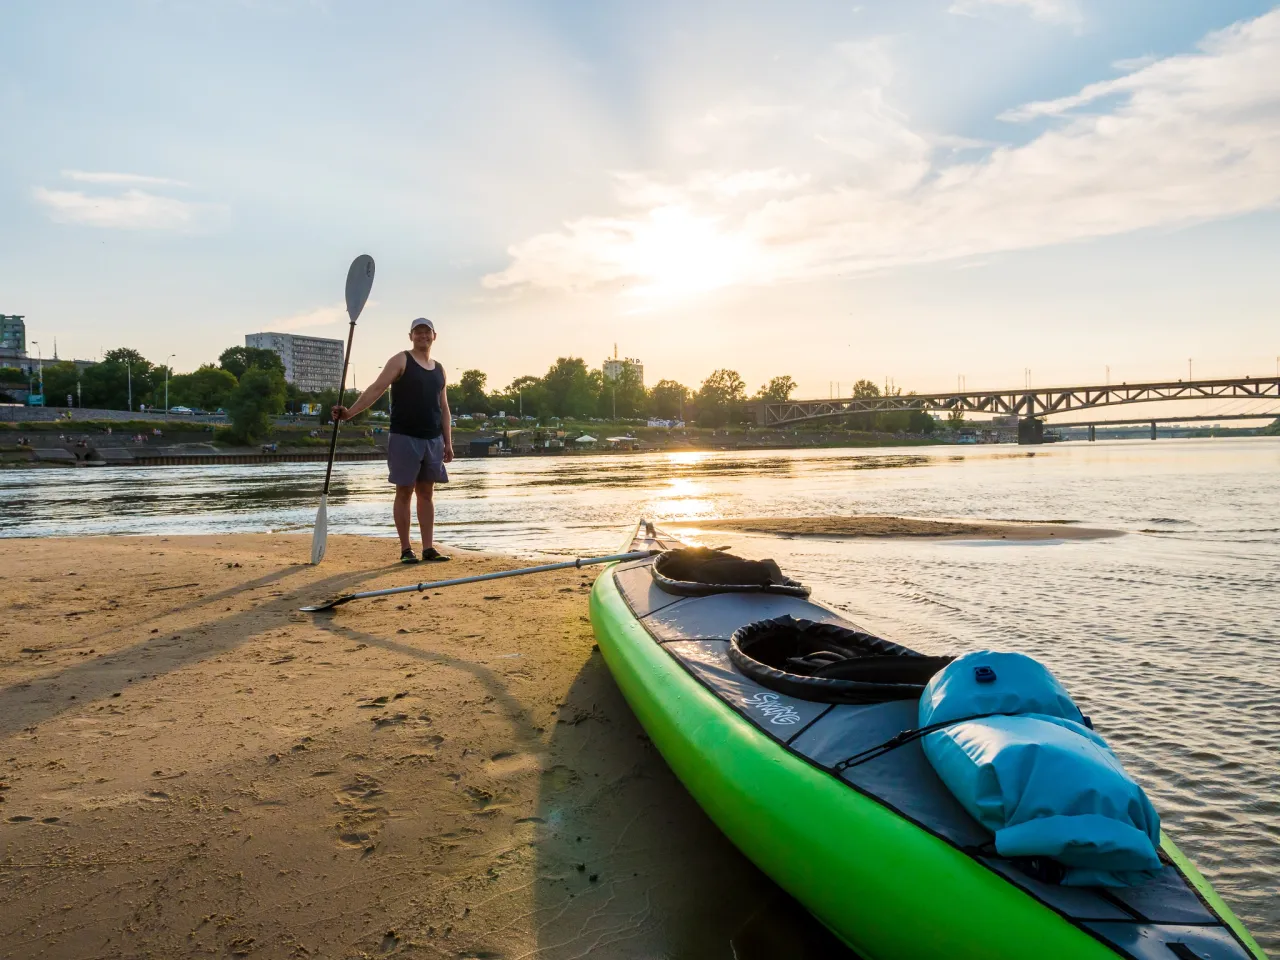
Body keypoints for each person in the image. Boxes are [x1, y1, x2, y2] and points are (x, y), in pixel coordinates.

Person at [331, 317, 454, 563]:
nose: (423, 336)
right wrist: (349, 414)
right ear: (411, 336)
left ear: (434, 336)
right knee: (405, 492)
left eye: (426, 332)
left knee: (427, 493)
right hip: (404, 436)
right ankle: (406, 549)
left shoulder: (439, 369)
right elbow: (376, 388)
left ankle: (428, 548)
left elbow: (444, 406)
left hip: (432, 439)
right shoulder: (401, 360)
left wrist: (448, 442)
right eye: (418, 333)